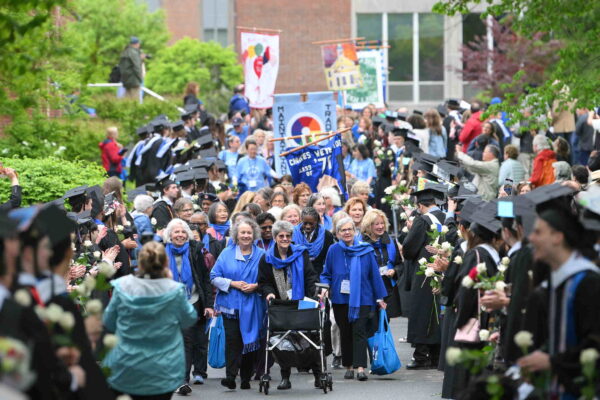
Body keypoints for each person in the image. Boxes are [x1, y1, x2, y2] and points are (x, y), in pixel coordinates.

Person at [518, 201, 599, 399]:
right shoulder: (557, 282)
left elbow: (595, 341)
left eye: (538, 232)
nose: (531, 238)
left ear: (557, 237)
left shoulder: (588, 282)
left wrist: (553, 362)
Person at [103, 241, 197, 400]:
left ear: (140, 262)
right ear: (165, 263)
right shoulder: (174, 290)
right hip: (162, 368)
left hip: (127, 363)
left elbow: (109, 321)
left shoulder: (122, 286)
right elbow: (189, 318)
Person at [320, 217, 387, 382]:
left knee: (359, 331)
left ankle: (360, 368)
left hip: (363, 298)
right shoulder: (333, 250)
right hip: (340, 298)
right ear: (337, 233)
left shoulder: (366, 250)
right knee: (346, 332)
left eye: (350, 229)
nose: (347, 232)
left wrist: (380, 298)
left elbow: (374, 276)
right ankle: (348, 365)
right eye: (343, 230)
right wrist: (324, 287)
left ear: (355, 231)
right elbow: (326, 273)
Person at [257, 220, 319, 390]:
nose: (285, 238)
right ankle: (285, 377)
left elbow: (310, 276)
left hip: (300, 302)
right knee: (281, 341)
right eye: (281, 236)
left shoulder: (300, 253)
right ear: (275, 237)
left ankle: (318, 374)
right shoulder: (267, 258)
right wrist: (268, 292)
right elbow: (263, 282)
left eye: (288, 236)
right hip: (280, 304)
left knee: (310, 338)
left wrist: (315, 292)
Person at [210, 218, 266, 390]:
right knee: (233, 341)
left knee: (250, 341)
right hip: (230, 305)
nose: (246, 235)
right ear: (236, 234)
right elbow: (214, 276)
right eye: (242, 232)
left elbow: (268, 279)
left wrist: (255, 286)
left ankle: (246, 378)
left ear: (254, 234)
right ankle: (231, 377)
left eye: (249, 232)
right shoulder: (226, 253)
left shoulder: (262, 255)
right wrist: (232, 283)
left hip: (253, 304)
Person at [162, 219, 213, 395]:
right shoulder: (160, 252)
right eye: (176, 232)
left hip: (192, 301)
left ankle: (182, 380)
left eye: (183, 232)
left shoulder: (195, 250)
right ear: (169, 235)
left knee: (187, 341)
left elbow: (205, 279)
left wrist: (209, 305)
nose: (180, 235)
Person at [402, 186, 447, 370]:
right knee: (437, 313)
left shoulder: (422, 221)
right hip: (444, 271)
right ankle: (436, 355)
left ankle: (421, 356)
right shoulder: (447, 218)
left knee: (421, 312)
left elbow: (409, 248)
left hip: (424, 272)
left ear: (420, 205)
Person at [360, 209, 402, 319]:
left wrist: (394, 271)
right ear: (369, 226)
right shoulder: (361, 244)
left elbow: (400, 264)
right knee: (372, 322)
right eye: (376, 224)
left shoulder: (390, 241)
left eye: (382, 223)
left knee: (385, 322)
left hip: (388, 286)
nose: (380, 226)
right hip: (370, 289)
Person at [292, 207, 335, 277]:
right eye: (305, 223)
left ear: (317, 221)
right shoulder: (293, 234)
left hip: (319, 276)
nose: (308, 226)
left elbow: (329, 260)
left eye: (311, 223)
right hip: (298, 274)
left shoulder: (327, 236)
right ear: (301, 220)